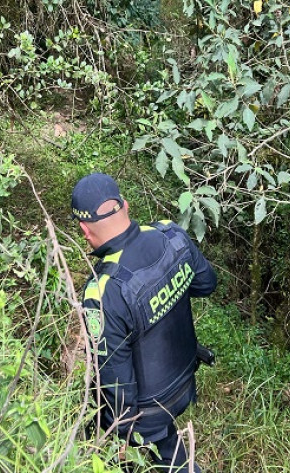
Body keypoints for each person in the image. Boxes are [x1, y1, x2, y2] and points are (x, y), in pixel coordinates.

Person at [72, 173, 217, 472]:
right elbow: (206, 284)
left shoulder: (103, 291)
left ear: (85, 230)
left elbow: (117, 388)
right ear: (125, 206)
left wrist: (120, 438)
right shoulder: (171, 235)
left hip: (149, 414)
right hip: (185, 380)